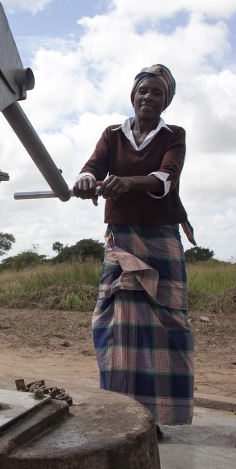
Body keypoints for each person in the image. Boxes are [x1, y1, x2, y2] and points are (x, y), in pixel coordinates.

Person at [73, 64, 196, 435]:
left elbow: (165, 179)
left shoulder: (174, 135)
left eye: (157, 93)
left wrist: (127, 182)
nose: (149, 97)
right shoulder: (112, 134)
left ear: (166, 100)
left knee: (168, 325)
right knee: (116, 325)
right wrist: (86, 179)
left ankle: (160, 419)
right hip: (122, 238)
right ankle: (124, 416)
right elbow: (93, 167)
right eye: (144, 91)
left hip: (160, 238)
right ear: (133, 95)